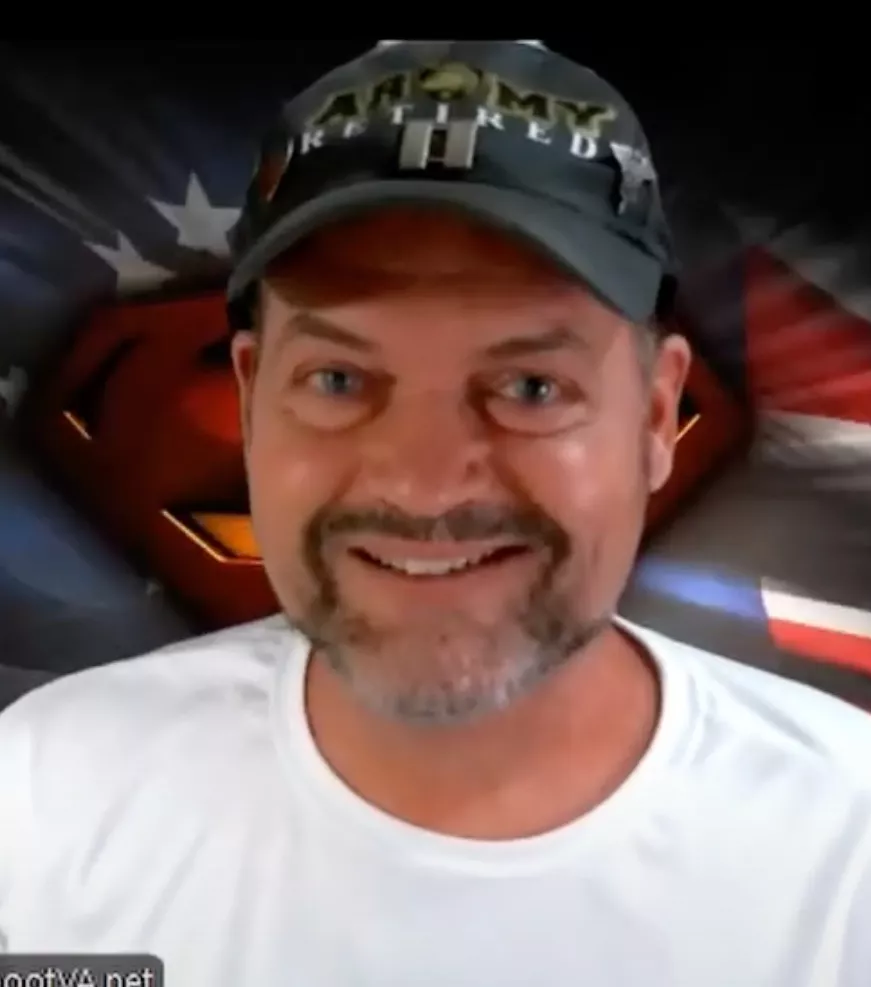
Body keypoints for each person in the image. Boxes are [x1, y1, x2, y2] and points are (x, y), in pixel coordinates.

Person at [0, 40, 869, 987]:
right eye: (337, 379)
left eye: (531, 386)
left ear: (656, 416)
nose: (423, 485)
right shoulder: (45, 799)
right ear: (251, 404)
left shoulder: (844, 849)